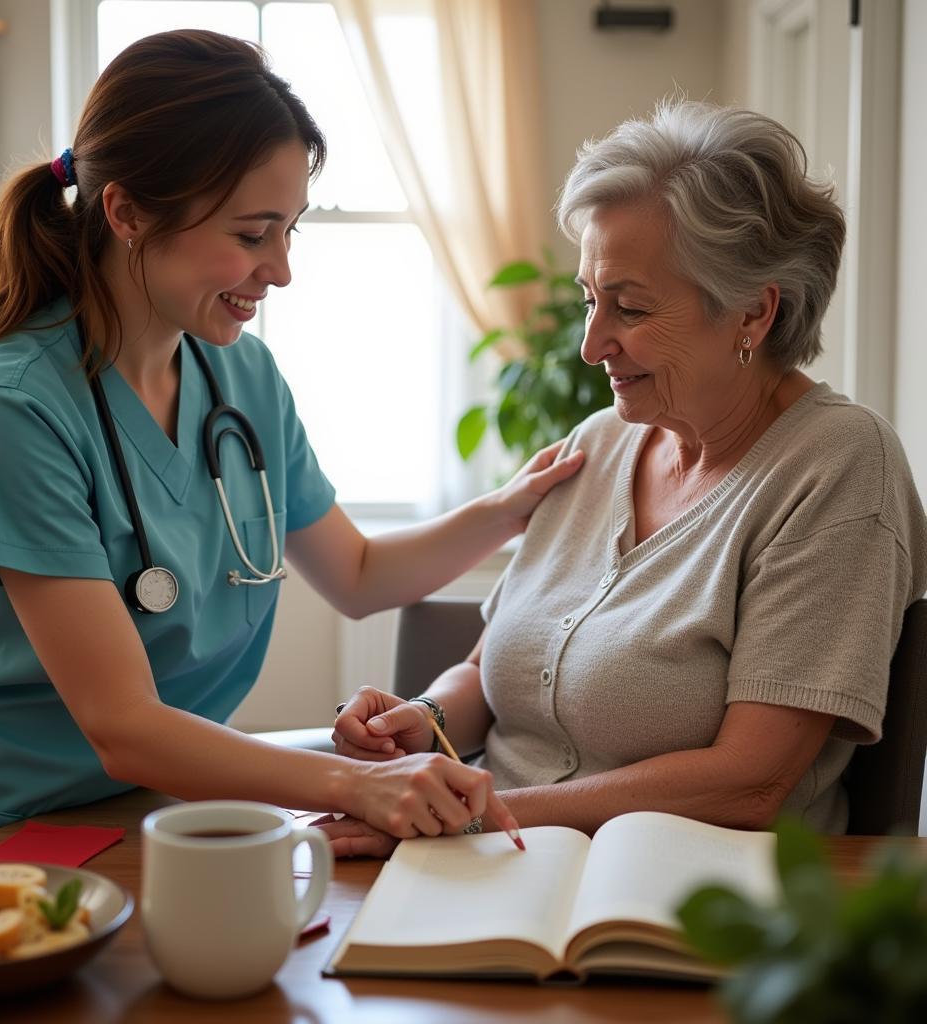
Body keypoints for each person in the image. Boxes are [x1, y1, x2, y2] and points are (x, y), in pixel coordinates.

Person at [0, 29, 583, 858]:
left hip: (153, 809)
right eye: (253, 233)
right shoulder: (10, 408)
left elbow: (360, 576)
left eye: (291, 230)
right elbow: (123, 726)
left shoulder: (242, 378)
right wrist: (357, 783)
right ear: (126, 212)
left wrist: (508, 510)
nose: (282, 270)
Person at [325, 100, 927, 857]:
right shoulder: (600, 441)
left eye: (630, 308)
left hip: (683, 896)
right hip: (489, 859)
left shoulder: (839, 464)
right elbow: (490, 674)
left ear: (753, 314)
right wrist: (426, 718)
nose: (589, 345)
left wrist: (477, 814)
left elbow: (751, 782)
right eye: (589, 299)